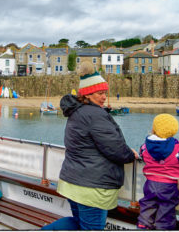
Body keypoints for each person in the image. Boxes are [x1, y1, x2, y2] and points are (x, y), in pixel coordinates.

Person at [42, 61, 138, 230]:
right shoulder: (95, 115)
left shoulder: (76, 112)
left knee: (77, 223)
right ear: (87, 95)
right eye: (99, 93)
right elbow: (116, 149)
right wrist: (131, 155)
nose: (104, 97)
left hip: (72, 183)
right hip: (92, 189)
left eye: (104, 93)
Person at [137, 113, 179, 230]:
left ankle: (143, 225)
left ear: (154, 128)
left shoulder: (145, 146)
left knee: (147, 206)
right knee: (166, 210)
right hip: (170, 185)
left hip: (150, 183)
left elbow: (142, 156)